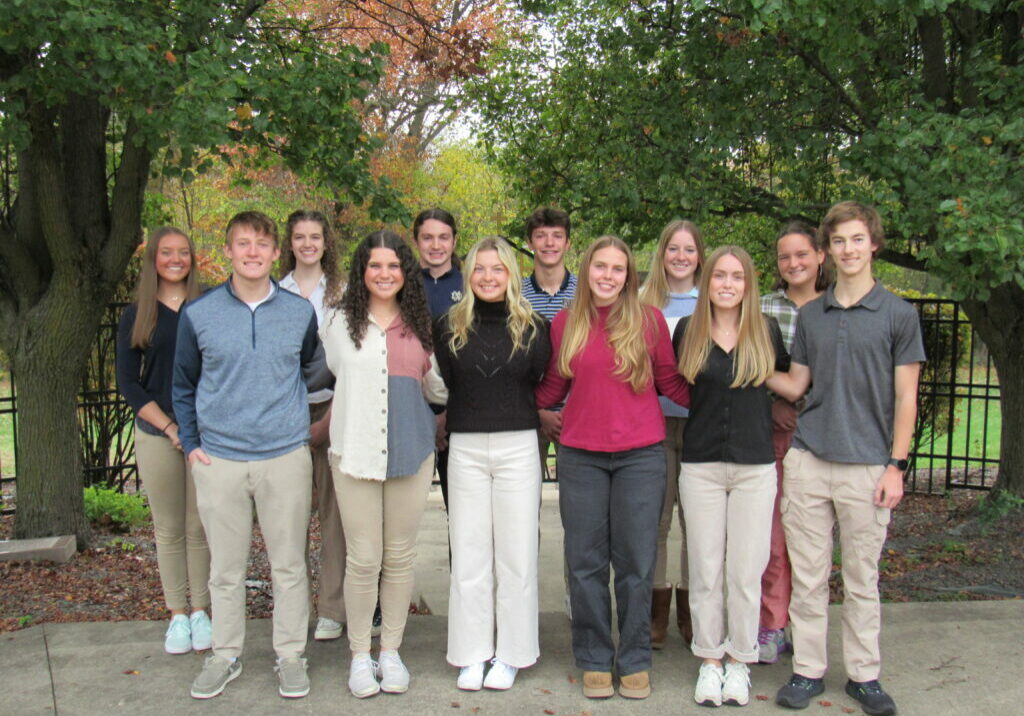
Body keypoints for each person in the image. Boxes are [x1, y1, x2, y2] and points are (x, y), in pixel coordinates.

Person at [770, 202, 924, 716]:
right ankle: (808, 670)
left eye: (857, 240)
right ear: (827, 251)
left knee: (862, 579)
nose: (848, 249)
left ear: (873, 244)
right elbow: (796, 384)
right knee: (808, 577)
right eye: (839, 242)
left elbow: (907, 397)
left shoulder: (899, 314)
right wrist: (745, 361)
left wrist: (896, 466)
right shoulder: (813, 315)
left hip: (868, 467)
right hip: (810, 459)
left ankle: (864, 676)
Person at [174, 211, 332, 700]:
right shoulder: (199, 314)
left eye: (262, 244)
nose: (253, 252)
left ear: (273, 251)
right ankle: (225, 654)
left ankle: (290, 655)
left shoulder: (297, 311)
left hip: (284, 455)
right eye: (243, 244)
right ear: (228, 251)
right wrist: (194, 443)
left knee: (288, 565)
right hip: (219, 458)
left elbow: (315, 368)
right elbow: (182, 383)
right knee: (226, 568)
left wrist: (285, 411)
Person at [536, 236, 689, 701]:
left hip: (641, 456)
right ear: (586, 272)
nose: (607, 275)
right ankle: (595, 657)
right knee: (584, 563)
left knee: (636, 564)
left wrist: (724, 400)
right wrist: (527, 408)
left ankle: (635, 658)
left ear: (629, 277)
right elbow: (552, 385)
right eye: (599, 266)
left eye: (617, 269)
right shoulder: (566, 323)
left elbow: (670, 382)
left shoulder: (649, 321)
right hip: (581, 456)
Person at [320, 231, 447, 699]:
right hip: (354, 453)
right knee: (364, 557)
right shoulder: (336, 322)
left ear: (405, 273)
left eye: (394, 266)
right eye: (375, 266)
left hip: (411, 450)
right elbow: (332, 374)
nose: (385, 274)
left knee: (398, 557)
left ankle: (390, 651)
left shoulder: (420, 323)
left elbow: (435, 388)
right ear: (362, 271)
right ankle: (359, 656)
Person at [673, 246, 790, 708]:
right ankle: (710, 661)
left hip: (754, 466)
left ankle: (740, 661)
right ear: (708, 281)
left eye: (736, 276)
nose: (726, 283)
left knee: (744, 570)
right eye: (719, 275)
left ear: (748, 284)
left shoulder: (766, 331)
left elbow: (786, 385)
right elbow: (681, 388)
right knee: (704, 568)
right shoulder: (689, 330)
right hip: (700, 464)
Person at [433, 237, 552, 692]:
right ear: (469, 274)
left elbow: (539, 380)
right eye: (479, 269)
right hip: (464, 446)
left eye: (497, 269)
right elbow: (447, 380)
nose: (487, 277)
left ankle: (513, 653)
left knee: (517, 554)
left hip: (519, 445)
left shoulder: (535, 327)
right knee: (469, 552)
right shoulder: (447, 326)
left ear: (511, 275)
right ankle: (471, 653)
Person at [116, 227, 209, 655]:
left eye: (183, 252)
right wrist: (171, 428)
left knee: (199, 527)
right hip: (158, 434)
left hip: (205, 435)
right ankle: (177, 615)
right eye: (167, 253)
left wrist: (191, 428)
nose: (176, 259)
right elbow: (129, 385)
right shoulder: (137, 314)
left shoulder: (208, 306)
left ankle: (202, 612)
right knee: (169, 529)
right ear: (153, 258)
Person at [756, 221, 828, 665]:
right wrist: (769, 407)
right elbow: (744, 370)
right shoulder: (762, 307)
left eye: (802, 254)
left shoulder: (838, 307)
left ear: (821, 255)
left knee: (815, 539)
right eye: (785, 257)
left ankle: (809, 627)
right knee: (774, 537)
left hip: (827, 437)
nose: (794, 263)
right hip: (775, 435)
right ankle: (772, 625)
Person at [278, 210, 348, 643]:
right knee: (287, 515)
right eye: (300, 237)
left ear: (326, 243)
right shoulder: (273, 291)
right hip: (284, 414)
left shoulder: (340, 292)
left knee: (334, 514)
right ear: (289, 243)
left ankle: (332, 609)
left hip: (334, 407)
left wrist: (332, 414)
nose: (307, 244)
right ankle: (293, 606)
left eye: (315, 237)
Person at [638, 219, 704, 649]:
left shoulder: (712, 299)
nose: (681, 257)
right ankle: (656, 615)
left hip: (701, 421)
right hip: (654, 424)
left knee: (696, 522)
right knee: (657, 522)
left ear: (701, 255)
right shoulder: (643, 300)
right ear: (661, 254)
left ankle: (694, 613)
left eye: (689, 249)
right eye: (673, 249)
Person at [519, 207, 576, 621]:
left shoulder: (587, 293)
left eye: (557, 236)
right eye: (541, 236)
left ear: (568, 242)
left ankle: (579, 599)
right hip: (527, 415)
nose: (549, 243)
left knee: (579, 516)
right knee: (523, 514)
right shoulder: (515, 294)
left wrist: (570, 408)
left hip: (580, 417)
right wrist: (539, 409)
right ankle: (525, 603)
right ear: (531, 243)